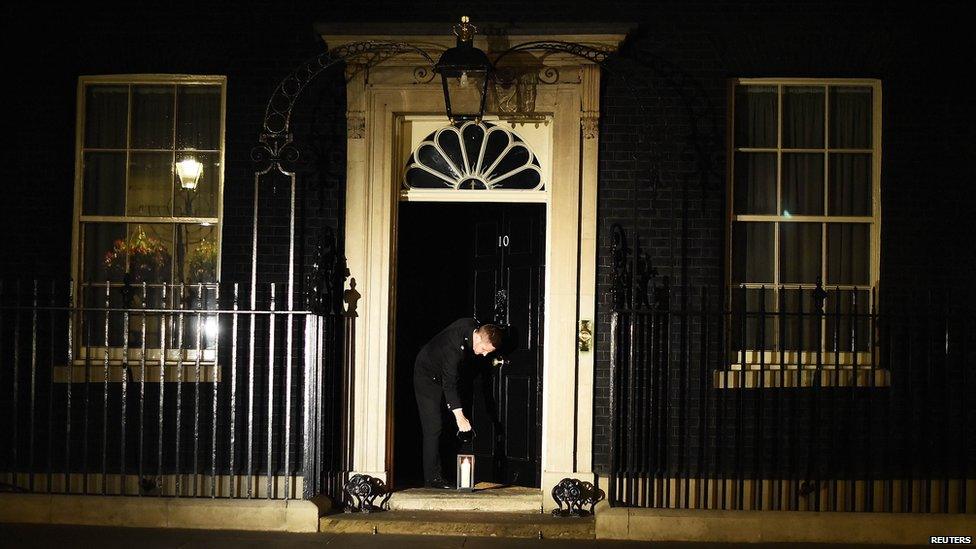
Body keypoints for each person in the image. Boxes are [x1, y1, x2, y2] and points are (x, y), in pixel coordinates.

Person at [413, 318, 505, 488]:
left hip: (444, 371)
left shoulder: (473, 325)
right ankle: (431, 479)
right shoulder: (454, 349)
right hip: (427, 376)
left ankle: (447, 472)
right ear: (477, 338)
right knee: (434, 426)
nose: (485, 354)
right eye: (484, 349)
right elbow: (449, 384)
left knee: (446, 422)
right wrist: (460, 417)